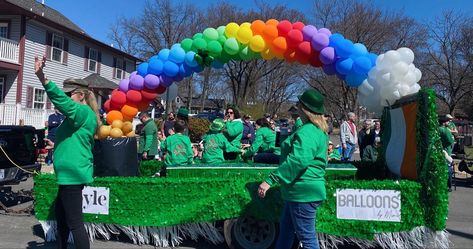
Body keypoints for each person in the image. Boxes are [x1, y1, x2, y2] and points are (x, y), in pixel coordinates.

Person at [35, 56, 100, 249]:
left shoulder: (82, 112)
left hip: (72, 176)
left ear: (80, 95)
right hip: (68, 175)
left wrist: (42, 77)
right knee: (62, 221)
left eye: (70, 93)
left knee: (74, 224)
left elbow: (61, 101)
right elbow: (76, 141)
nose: (67, 97)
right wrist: (57, 145)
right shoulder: (79, 116)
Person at [258, 89, 329, 249]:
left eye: (298, 104)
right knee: (286, 231)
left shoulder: (308, 131)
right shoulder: (316, 130)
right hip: (300, 192)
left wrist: (270, 180)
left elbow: (298, 160)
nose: (296, 107)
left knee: (308, 239)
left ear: (303, 108)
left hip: (302, 192)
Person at [439, 116, 455, 191]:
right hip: (446, 150)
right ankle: (449, 186)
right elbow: (450, 141)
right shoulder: (445, 130)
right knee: (448, 168)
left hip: (436, 150)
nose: (448, 123)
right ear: (444, 122)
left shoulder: (436, 129)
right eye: (447, 121)